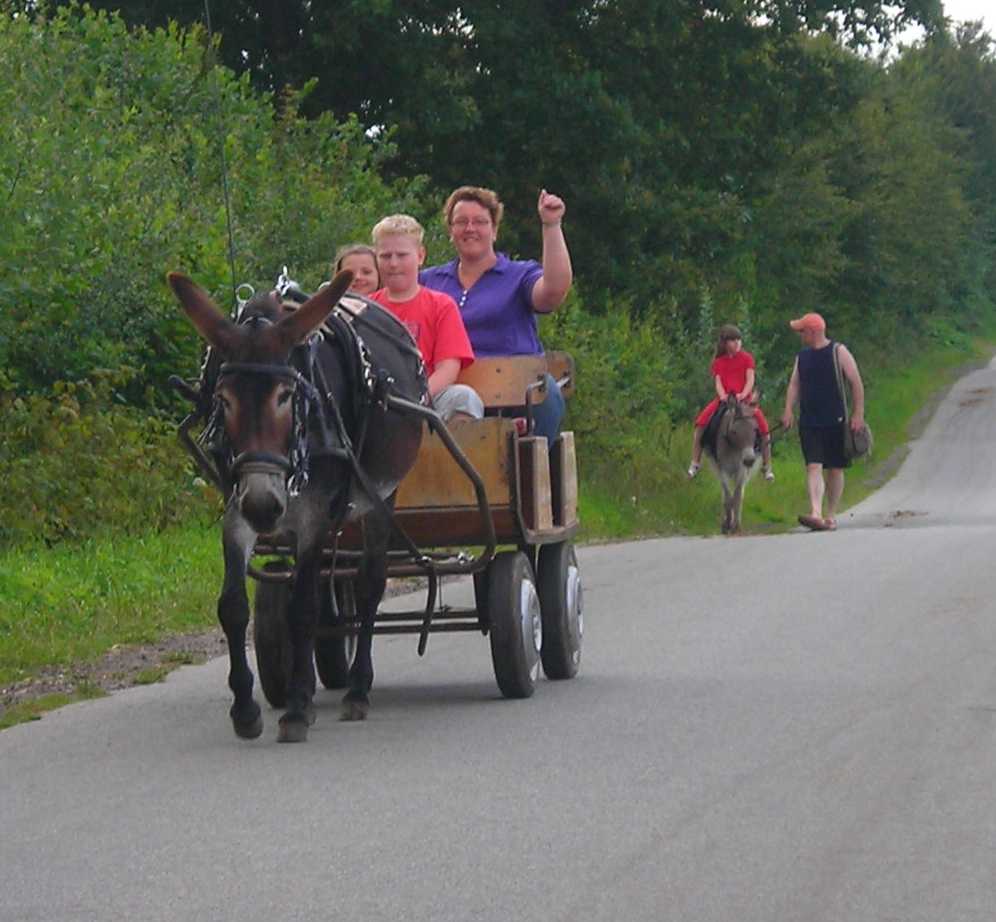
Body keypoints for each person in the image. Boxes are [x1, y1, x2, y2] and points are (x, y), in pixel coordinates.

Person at [420, 186, 573, 445]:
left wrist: (551, 224)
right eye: (461, 222)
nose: (470, 228)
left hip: (514, 393)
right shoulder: (428, 280)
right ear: (450, 231)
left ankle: (530, 475)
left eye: (480, 222)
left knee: (546, 392)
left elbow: (553, 291)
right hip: (447, 392)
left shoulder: (518, 275)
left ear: (494, 230)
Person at [369, 214, 484, 422]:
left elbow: (448, 368)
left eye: (402, 255)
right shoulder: (365, 309)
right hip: (375, 404)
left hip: (427, 401)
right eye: (386, 256)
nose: (393, 264)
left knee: (464, 398)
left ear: (420, 256)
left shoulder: (441, 305)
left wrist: (417, 399)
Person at [780, 312, 865, 532]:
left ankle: (830, 514)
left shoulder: (839, 351)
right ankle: (815, 512)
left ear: (812, 331)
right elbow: (794, 385)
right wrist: (788, 409)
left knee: (835, 468)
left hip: (836, 419)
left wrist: (858, 414)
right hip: (809, 420)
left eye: (802, 331)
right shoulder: (802, 356)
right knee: (813, 465)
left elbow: (855, 382)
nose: (800, 335)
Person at [687, 324, 774, 481]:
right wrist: (723, 396)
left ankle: (767, 466)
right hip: (724, 399)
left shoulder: (747, 358)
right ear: (725, 343)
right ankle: (695, 463)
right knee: (701, 424)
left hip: (745, 400)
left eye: (739, 340)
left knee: (764, 429)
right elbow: (718, 382)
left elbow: (750, 379)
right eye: (733, 340)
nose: (737, 343)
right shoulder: (719, 362)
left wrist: (743, 394)